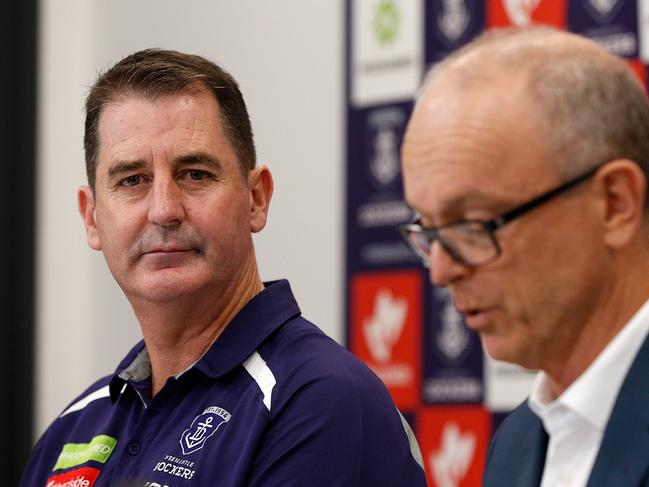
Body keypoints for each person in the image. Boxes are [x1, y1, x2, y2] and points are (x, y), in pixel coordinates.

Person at [22, 48, 426, 487]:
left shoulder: (322, 398)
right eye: (132, 180)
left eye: (195, 174)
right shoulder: (74, 426)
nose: (163, 210)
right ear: (92, 217)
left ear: (256, 198)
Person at [399, 26, 649, 487]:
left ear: (615, 203)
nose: (441, 270)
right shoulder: (516, 444)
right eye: (431, 231)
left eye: (474, 224)